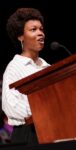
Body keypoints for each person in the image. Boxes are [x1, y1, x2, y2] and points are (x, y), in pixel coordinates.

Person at [1, 8, 50, 145]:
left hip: (52, 130)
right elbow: (11, 106)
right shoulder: (14, 68)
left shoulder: (48, 67)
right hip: (28, 135)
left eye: (41, 29)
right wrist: (45, 111)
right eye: (33, 30)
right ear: (20, 36)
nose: (40, 33)